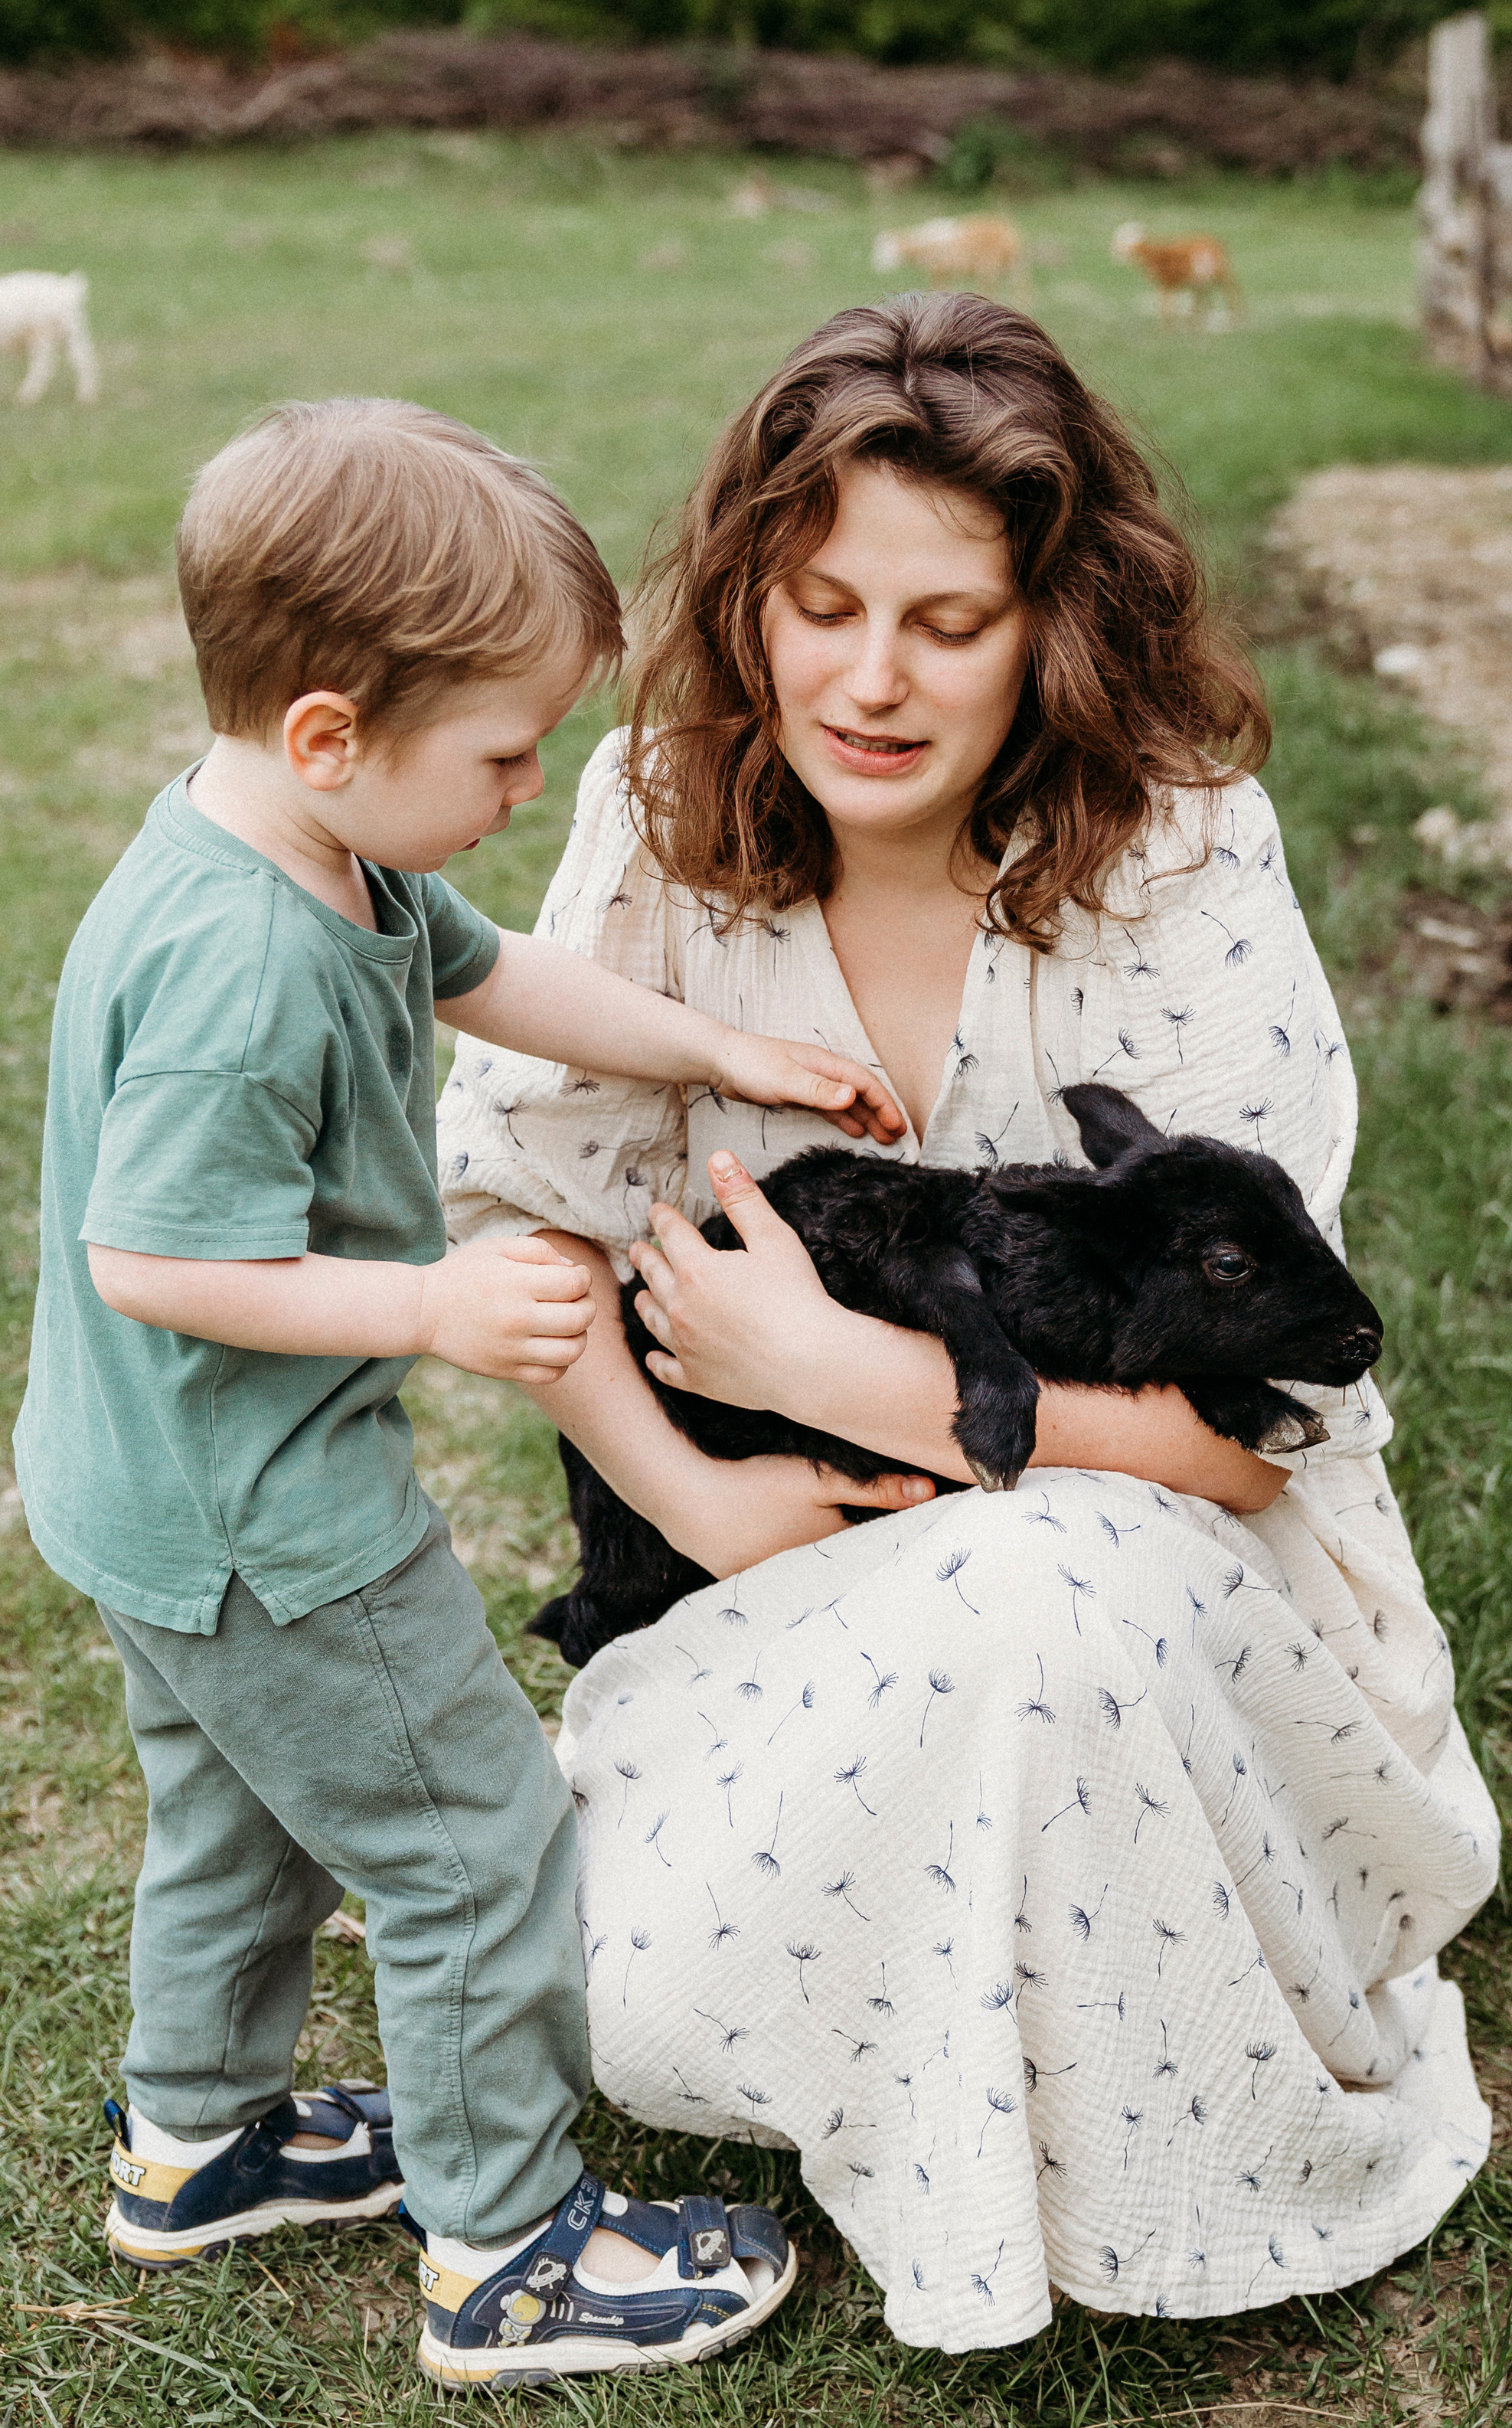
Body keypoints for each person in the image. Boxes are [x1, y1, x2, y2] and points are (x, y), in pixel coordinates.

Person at [439, 296, 1501, 2354]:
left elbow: (1242, 1433)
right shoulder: (658, 814)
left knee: (1034, 1581)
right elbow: (528, 1219)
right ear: (750, 596)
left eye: (947, 618)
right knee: (639, 2003)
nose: (867, 675)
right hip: (773, 1581)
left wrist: (850, 1381)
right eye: (819, 603)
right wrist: (703, 1492)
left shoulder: (1176, 859)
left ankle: (1145, 2155)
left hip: (1168, 1582)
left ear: (1051, 626)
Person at [13, 397, 923, 2387]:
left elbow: (495, 968)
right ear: (334, 730)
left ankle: (198, 2139)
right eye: (503, 752)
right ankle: (508, 2248)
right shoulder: (245, 968)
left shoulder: (318, 850)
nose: (528, 785)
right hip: (271, 1525)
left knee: (244, 1819)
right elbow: (148, 1258)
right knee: (471, 1841)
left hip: (149, 1499)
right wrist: (426, 1306)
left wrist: (721, 1049)